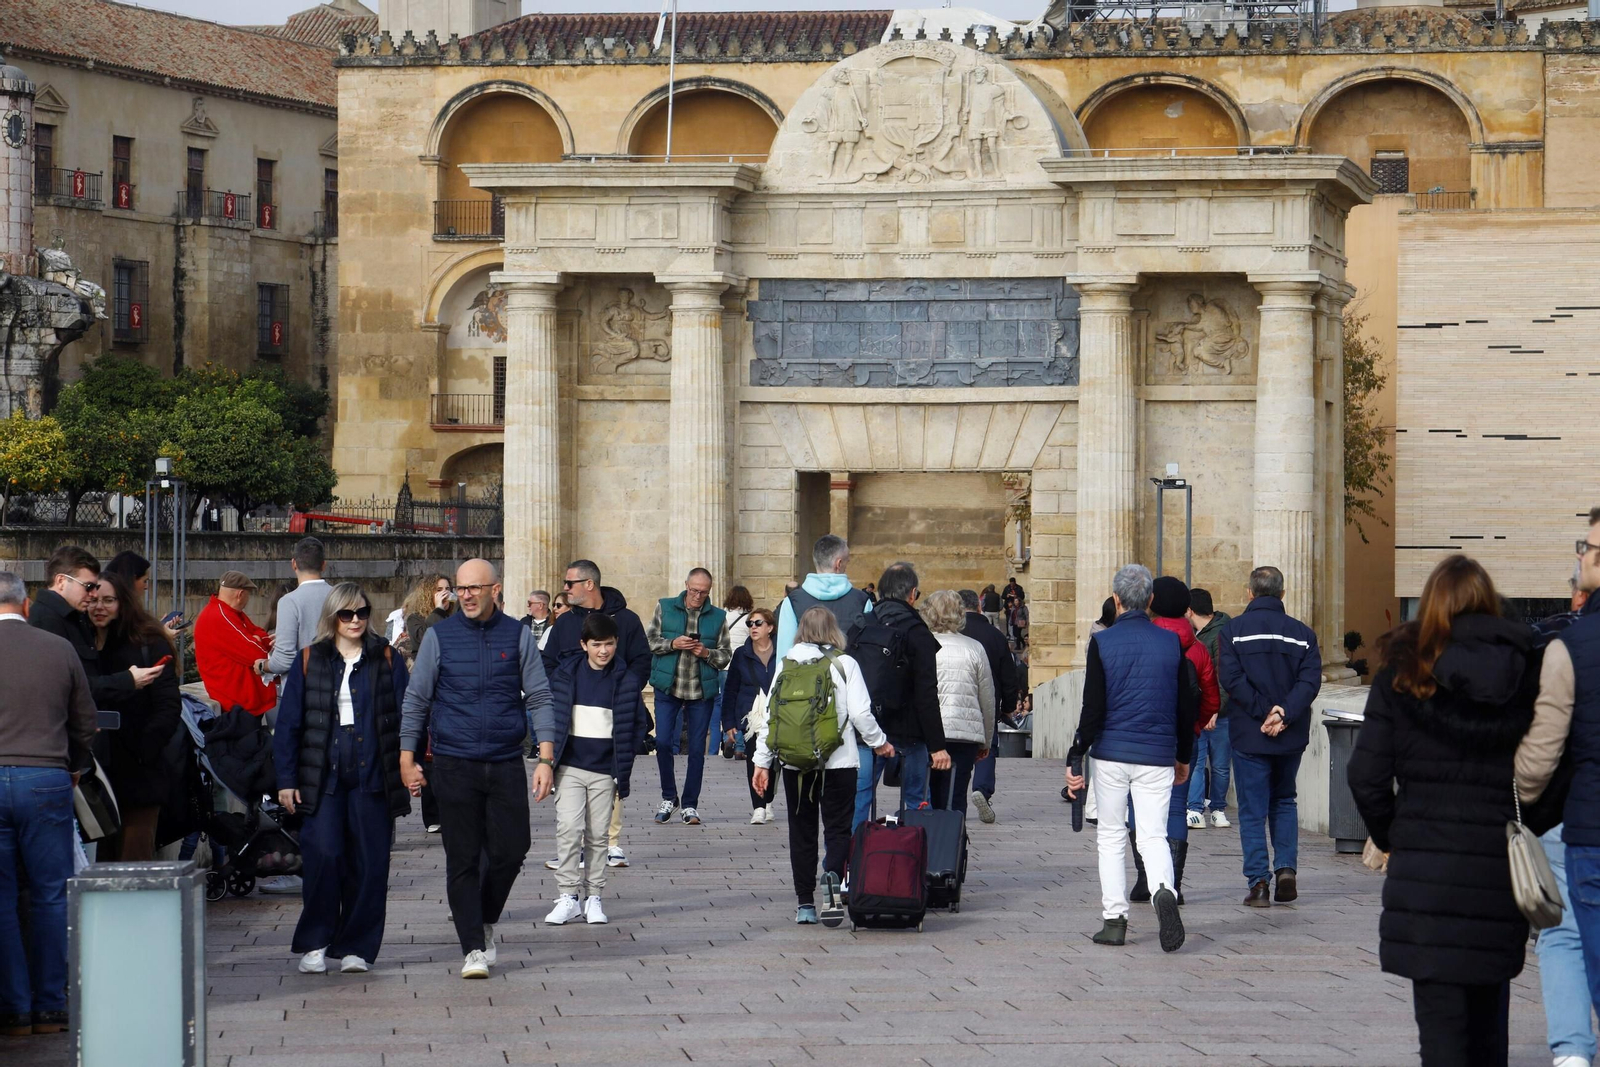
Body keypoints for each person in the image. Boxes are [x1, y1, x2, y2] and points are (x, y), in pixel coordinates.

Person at [1348, 555, 1538, 1067]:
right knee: (1489, 1027)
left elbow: (1364, 775)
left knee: (1441, 1039)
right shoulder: (1524, 672)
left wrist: (1394, 835)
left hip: (1426, 874)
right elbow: (1547, 771)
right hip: (1498, 870)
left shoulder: (1402, 673)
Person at [398, 559, 553, 980]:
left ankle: (483, 917)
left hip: (504, 761)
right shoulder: (440, 637)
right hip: (454, 761)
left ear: (494, 590)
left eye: (474, 588)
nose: (464, 595)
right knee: (462, 857)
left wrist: (545, 758)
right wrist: (406, 756)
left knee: (512, 849)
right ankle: (472, 947)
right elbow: (416, 699)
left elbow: (539, 696)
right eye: (460, 588)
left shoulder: (517, 635)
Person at [273, 583, 412, 975]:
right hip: (322, 772)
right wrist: (286, 779)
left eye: (361, 613)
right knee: (324, 856)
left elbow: (407, 715)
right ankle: (316, 941)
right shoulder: (309, 660)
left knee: (369, 863)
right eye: (346, 614)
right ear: (332, 616)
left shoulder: (385, 658)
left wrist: (410, 763)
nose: (354, 621)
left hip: (373, 771)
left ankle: (356, 946)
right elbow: (288, 725)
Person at [1063, 563, 1193, 953]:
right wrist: (1182, 756)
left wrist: (1077, 751)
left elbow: (1093, 708)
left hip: (1112, 753)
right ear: (1150, 600)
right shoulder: (1172, 644)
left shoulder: (1102, 643)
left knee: (1111, 835)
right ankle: (1162, 891)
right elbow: (1185, 706)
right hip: (1156, 754)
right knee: (1153, 835)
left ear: (1116, 600)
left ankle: (1115, 919)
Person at [0, 571, 97, 1039]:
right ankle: (50, 1007)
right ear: (24, 604)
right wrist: (73, 765)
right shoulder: (58, 649)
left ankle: (14, 1010)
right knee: (49, 894)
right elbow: (85, 722)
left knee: (1, 899)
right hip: (46, 776)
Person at [752, 607, 892, 925]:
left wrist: (762, 763)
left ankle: (804, 905)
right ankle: (831, 876)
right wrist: (879, 742)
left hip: (794, 763)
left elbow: (771, 717)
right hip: (839, 761)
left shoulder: (785, 664)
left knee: (802, 833)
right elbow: (860, 714)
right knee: (838, 830)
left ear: (801, 630)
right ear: (833, 630)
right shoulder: (845, 664)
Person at [1520, 506, 1600, 1036]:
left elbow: (1540, 757)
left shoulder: (1570, 646)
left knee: (1567, 934)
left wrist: (1518, 795)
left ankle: (1572, 1048)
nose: (1581, 557)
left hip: (1589, 825)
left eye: (1588, 549)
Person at [1217, 565, 1323, 907]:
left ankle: (1259, 882)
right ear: (1282, 593)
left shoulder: (1232, 631)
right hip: (1289, 735)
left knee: (1251, 809)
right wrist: (1283, 713)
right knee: (1284, 800)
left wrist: (1265, 711)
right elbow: (1309, 682)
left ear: (1250, 593)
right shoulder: (1303, 634)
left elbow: (1232, 680)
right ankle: (1286, 869)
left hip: (1250, 733)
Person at [541, 612, 648, 926]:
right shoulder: (565, 675)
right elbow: (549, 713)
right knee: (569, 830)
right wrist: (549, 759)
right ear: (583, 644)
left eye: (610, 644)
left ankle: (594, 897)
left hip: (605, 770)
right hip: (570, 767)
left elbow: (638, 722)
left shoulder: (626, 679)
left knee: (599, 836)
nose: (604, 650)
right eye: (597, 644)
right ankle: (568, 896)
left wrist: (622, 756)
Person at [542, 560, 650, 867]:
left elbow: (642, 659)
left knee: (610, 771)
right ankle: (572, 847)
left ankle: (610, 843)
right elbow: (548, 661)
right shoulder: (563, 623)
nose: (564, 588)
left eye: (569, 583)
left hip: (612, 710)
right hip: (572, 715)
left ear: (589, 584)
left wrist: (626, 688)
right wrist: (560, 690)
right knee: (570, 778)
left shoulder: (627, 620)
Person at [84, 571, 180, 862]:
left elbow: (168, 706)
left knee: (134, 863)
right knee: (98, 869)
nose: (99, 607)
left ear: (123, 603)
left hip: (140, 775)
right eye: (93, 600)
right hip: (92, 775)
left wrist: (144, 750)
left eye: (108, 600)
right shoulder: (77, 644)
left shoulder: (148, 642)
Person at [852, 562, 948, 832]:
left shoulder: (861, 625)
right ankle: (916, 861)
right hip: (909, 734)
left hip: (866, 730)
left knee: (860, 798)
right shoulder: (918, 632)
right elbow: (926, 694)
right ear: (913, 594)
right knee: (916, 799)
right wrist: (937, 745)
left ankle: (848, 863)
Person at [1141, 576, 1219, 906]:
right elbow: (1211, 698)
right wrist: (1196, 726)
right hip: (1186, 736)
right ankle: (1172, 883)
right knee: (1176, 810)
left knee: (1139, 809)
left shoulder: (1146, 640)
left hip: (1147, 736)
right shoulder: (1197, 649)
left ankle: (1146, 880)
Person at [646, 568, 732, 826]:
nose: (697, 596)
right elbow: (651, 641)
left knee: (696, 749)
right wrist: (673, 644)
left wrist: (705, 652)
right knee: (662, 742)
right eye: (694, 590)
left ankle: (690, 804)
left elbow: (725, 654)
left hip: (700, 691)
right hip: (667, 686)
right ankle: (669, 797)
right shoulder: (664, 606)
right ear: (686, 586)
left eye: (703, 592)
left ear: (710, 591)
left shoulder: (718, 617)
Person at [30, 545, 162, 708]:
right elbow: (67, 688)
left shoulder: (73, 616)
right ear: (61, 581)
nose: (93, 594)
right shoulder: (46, 620)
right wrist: (127, 680)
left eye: (96, 587)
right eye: (88, 587)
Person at [919, 590, 994, 817]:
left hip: (928, 733)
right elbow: (987, 700)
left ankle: (930, 845)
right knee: (956, 796)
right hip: (965, 734)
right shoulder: (974, 648)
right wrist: (986, 740)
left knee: (927, 795)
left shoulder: (920, 645)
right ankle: (955, 846)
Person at [961, 589, 1017, 825]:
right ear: (980, 607)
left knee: (957, 750)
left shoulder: (951, 634)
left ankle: (954, 801)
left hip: (957, 702)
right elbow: (1009, 676)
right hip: (988, 701)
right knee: (987, 748)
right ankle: (981, 790)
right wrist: (1008, 707)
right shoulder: (995, 635)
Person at [192, 571, 279, 717]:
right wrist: (255, 639)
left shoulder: (229, 612)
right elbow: (255, 652)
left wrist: (257, 638)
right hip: (236, 703)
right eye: (248, 594)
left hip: (243, 700)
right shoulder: (220, 616)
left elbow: (261, 633)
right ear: (240, 594)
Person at [722, 607, 780, 823]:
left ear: (770, 627)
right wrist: (728, 722)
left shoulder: (782, 651)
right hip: (751, 716)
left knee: (774, 762)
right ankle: (759, 807)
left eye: (758, 623)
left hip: (778, 712)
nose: (753, 627)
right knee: (755, 759)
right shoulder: (741, 654)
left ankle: (769, 799)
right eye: (750, 624)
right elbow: (731, 689)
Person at [775, 535, 873, 658]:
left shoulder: (792, 601)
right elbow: (869, 653)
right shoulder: (862, 600)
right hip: (849, 675)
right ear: (839, 563)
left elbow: (784, 655)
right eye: (847, 561)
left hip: (805, 675)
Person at [1186, 588, 1233, 829]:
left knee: (1219, 764)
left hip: (1218, 712)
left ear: (1190, 610)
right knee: (1199, 761)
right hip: (1200, 710)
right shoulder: (1196, 634)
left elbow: (1224, 676)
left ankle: (1216, 808)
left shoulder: (1220, 635)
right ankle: (1195, 809)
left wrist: (1215, 709)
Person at [266, 537, 333, 678]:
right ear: (323, 565)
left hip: (301, 687)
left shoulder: (289, 601)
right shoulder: (340, 596)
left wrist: (263, 665)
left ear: (294, 564)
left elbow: (284, 661)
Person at [712, 585, 754, 757]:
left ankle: (726, 737)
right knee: (741, 705)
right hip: (741, 665)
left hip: (723, 665)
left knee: (725, 703)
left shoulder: (721, 616)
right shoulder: (751, 618)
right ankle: (740, 746)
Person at [400, 574, 453, 664]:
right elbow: (425, 638)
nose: (445, 593)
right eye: (439, 590)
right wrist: (438, 610)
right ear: (428, 594)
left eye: (447, 589)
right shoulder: (414, 618)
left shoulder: (453, 616)